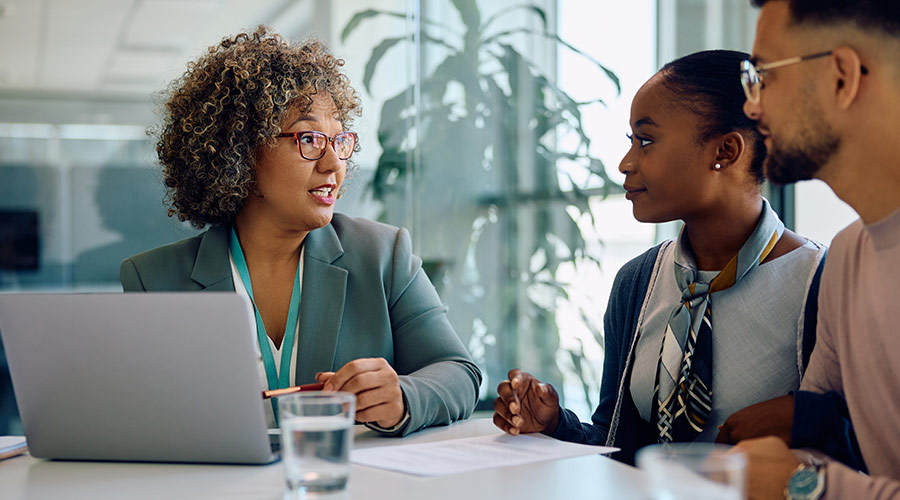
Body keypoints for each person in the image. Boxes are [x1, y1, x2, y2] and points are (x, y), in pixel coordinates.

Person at [120, 27, 481, 436]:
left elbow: (459, 373)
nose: (333, 164)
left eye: (339, 140)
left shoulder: (382, 254)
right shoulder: (154, 281)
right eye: (308, 139)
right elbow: (145, 421)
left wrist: (403, 398)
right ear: (240, 151)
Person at [492, 49, 827, 465]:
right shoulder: (638, 281)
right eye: (630, 141)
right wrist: (555, 424)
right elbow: (620, 446)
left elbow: (855, 446)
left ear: (725, 151)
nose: (625, 163)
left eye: (646, 141)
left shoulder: (821, 284)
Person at [729, 1, 900, 498]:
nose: (751, 105)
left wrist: (805, 487)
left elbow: (806, 478)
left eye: (762, 75)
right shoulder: (847, 259)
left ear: (842, 77)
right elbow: (812, 439)